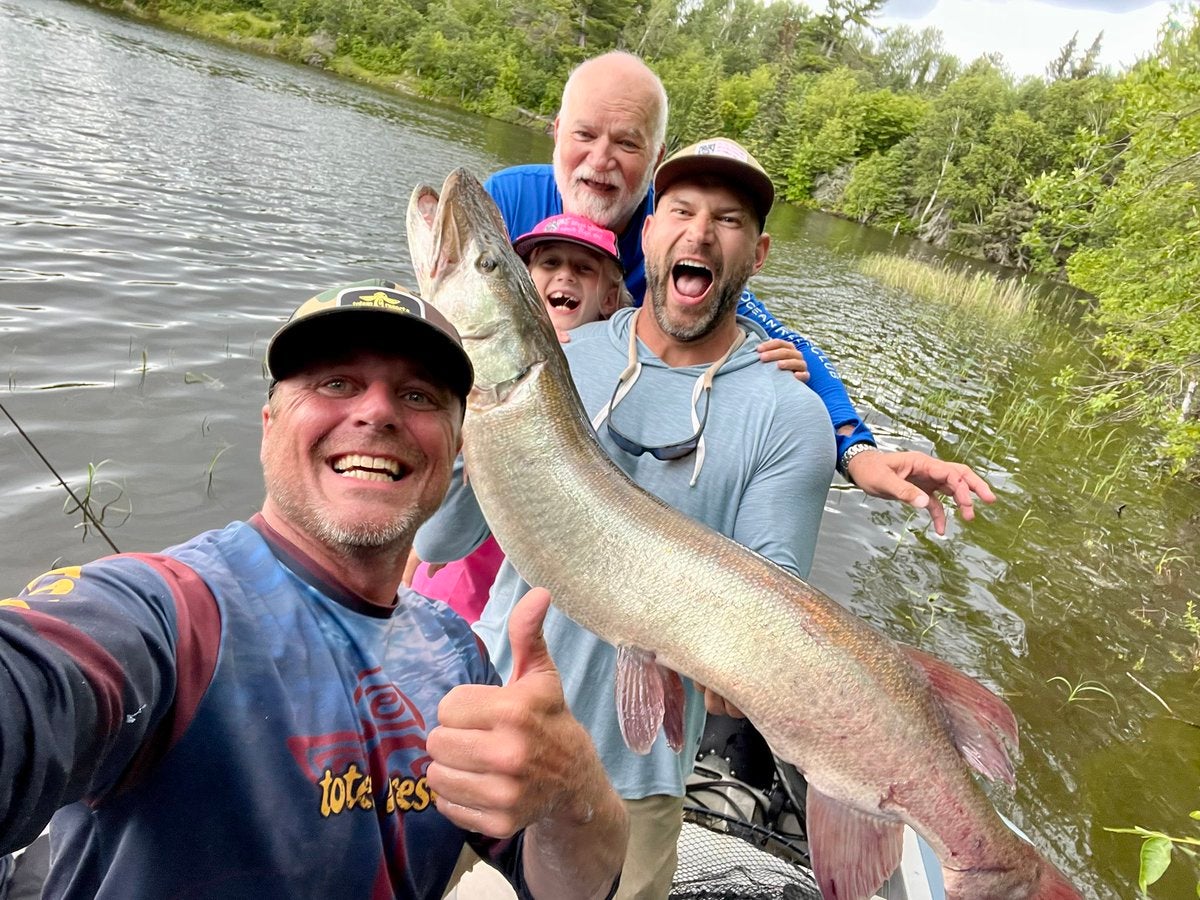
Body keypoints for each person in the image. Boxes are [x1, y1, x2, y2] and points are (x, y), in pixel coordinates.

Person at [0, 281, 627, 900]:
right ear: (269, 423)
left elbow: (574, 889)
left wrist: (575, 792)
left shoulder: (458, 653)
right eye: (336, 383)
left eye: (417, 394)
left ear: (457, 448)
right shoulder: (166, 611)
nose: (378, 412)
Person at [418, 139, 835, 898]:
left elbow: (761, 625)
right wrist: (454, 395)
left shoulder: (791, 416)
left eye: (729, 219)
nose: (700, 234)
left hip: (631, 785)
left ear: (760, 251)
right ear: (648, 233)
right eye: (679, 210)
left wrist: (747, 681)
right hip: (479, 719)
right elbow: (441, 539)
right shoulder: (565, 354)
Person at [484, 51, 995, 533]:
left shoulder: (671, 243)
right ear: (555, 134)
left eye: (627, 143)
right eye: (584, 134)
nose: (601, 158)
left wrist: (855, 451)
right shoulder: (507, 200)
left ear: (655, 158)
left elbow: (786, 345)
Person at [407, 211, 807, 620]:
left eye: (583, 268)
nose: (564, 277)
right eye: (548, 263)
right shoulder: (514, 375)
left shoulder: (781, 402)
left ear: (611, 296)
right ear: (527, 282)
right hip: (492, 639)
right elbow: (437, 540)